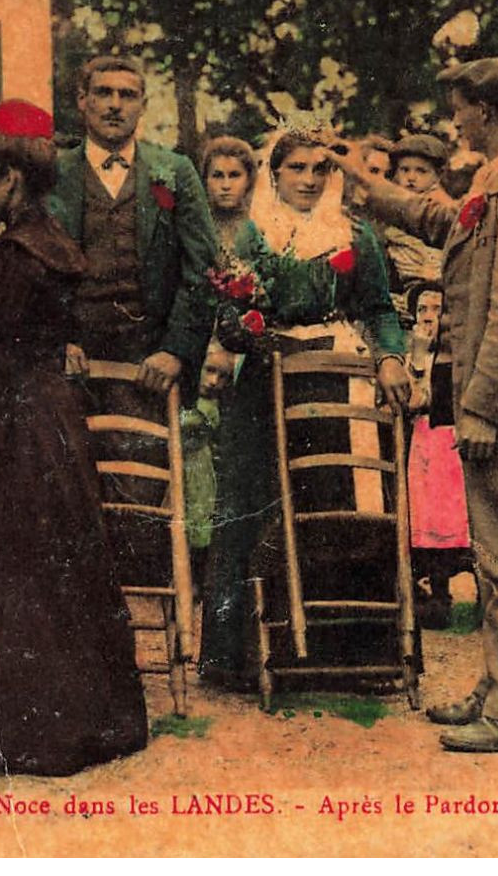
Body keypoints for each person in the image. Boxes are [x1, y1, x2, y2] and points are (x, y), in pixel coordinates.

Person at [0, 100, 148, 776]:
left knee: (18, 565)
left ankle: (32, 730)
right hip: (55, 418)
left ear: (11, 181)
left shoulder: (14, 256)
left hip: (21, 421)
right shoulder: (50, 240)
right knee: (57, 562)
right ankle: (83, 715)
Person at [342, 56, 498, 753]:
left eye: (460, 108)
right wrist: (367, 186)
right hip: (487, 397)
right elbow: (443, 219)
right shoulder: (497, 178)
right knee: (497, 552)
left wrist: (482, 407)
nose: (454, 120)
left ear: (486, 111)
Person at [196, 131, 410, 687]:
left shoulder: (356, 236)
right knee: (254, 502)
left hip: (335, 379)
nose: (309, 179)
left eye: (319, 168)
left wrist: (389, 357)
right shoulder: (250, 235)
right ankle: (247, 658)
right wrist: (242, 326)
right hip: (266, 383)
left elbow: (380, 308)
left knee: (341, 501)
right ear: (275, 173)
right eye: (295, 168)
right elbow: (224, 316)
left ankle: (350, 655)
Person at [47, 55, 220, 526]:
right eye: (103, 93)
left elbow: (204, 270)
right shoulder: (54, 171)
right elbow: (36, 269)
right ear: (81, 101)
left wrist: (175, 352)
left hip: (147, 366)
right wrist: (57, 339)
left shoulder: (174, 171)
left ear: (142, 105)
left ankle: (142, 600)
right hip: (71, 364)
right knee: (68, 495)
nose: (115, 105)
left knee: (140, 495)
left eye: (127, 95)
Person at [403, 281, 470, 631]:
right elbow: (413, 399)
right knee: (426, 519)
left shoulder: (457, 355)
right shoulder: (416, 357)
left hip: (453, 447)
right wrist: (416, 356)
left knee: (454, 520)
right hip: (424, 444)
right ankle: (436, 595)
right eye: (422, 311)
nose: (430, 318)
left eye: (437, 310)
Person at [382, 133, 451, 316]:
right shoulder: (394, 207)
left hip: (439, 292)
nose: (411, 177)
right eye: (405, 170)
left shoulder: (441, 208)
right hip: (404, 292)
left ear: (438, 175)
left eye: (421, 171)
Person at [200, 135, 259, 251]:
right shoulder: (196, 230)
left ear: (249, 180)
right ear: (206, 180)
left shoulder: (262, 229)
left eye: (234, 175)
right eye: (217, 176)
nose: (226, 185)